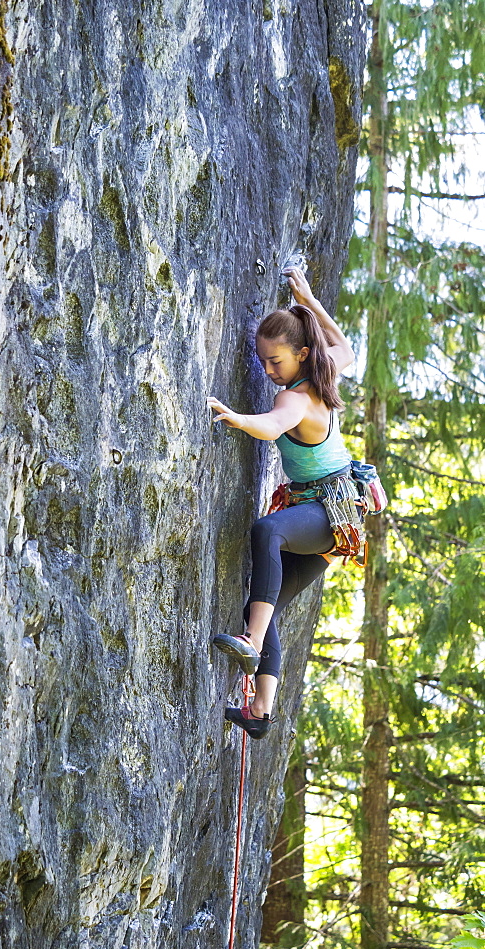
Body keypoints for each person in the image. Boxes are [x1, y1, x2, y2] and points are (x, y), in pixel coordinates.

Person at [207, 267, 358, 739]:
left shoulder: (295, 400)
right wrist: (308, 298)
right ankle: (261, 714)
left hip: (327, 514)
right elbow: (346, 348)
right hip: (336, 519)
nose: (269, 370)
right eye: (263, 360)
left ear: (301, 354)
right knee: (264, 602)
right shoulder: (323, 371)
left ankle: (251, 641)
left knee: (266, 532)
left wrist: (235, 417)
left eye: (276, 361)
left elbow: (272, 426)